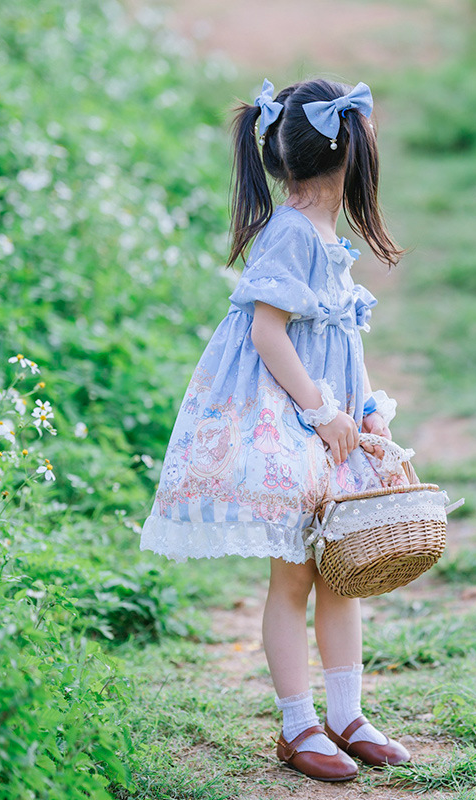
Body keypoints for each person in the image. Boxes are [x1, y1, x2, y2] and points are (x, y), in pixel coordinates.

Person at [140, 77, 410, 782]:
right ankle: (299, 725)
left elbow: (338, 341)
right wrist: (322, 413)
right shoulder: (292, 233)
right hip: (292, 423)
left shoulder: (325, 234)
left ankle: (347, 713)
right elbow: (268, 333)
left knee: (340, 575)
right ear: (347, 152)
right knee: (293, 577)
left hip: (332, 422)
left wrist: (366, 405)